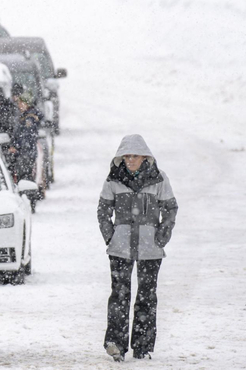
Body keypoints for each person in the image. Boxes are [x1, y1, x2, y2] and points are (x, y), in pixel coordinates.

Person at [97, 134, 178, 362]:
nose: (130, 160)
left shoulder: (159, 179)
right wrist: (110, 236)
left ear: (145, 157)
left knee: (146, 296)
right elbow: (103, 210)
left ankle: (142, 346)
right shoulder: (113, 179)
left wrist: (161, 235)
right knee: (119, 295)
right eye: (127, 156)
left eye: (135, 156)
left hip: (150, 250)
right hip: (120, 249)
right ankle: (116, 343)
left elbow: (170, 208)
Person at [8, 92, 40, 182]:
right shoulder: (24, 116)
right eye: (19, 103)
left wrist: (16, 147)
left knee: (24, 179)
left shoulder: (29, 118)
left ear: (27, 104)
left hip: (25, 155)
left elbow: (26, 137)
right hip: (24, 155)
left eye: (22, 103)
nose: (19, 105)